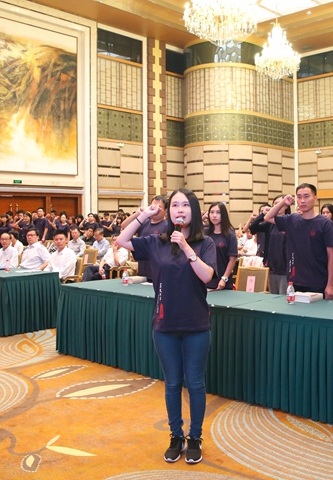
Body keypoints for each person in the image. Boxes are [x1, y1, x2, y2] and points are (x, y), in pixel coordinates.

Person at [117, 188, 216, 465]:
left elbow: (208, 277)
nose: (179, 210)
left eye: (185, 205)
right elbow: (122, 240)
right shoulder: (156, 241)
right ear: (168, 211)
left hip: (196, 324)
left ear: (193, 210)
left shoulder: (204, 242)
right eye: (174, 205)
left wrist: (186, 248)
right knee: (172, 383)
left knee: (195, 383)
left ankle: (195, 438)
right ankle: (176, 436)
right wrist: (144, 215)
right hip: (164, 324)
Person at [264, 183, 333, 299]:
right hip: (294, 281)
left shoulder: (325, 223)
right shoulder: (292, 220)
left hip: (318, 281)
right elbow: (268, 217)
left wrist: (330, 285)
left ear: (315, 199)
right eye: (299, 197)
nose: (302, 200)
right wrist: (283, 203)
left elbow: (331, 255)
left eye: (306, 196)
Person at [123, 195, 169, 282]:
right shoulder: (144, 222)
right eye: (153, 206)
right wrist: (137, 214)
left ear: (165, 210)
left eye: (159, 207)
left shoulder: (167, 226)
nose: (155, 209)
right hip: (142, 272)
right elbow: (124, 227)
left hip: (158, 273)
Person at [249, 195, 289, 294]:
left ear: (286, 206)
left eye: (281, 203)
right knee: (273, 297)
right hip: (271, 267)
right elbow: (253, 228)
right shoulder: (269, 224)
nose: (278, 206)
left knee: (284, 297)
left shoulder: (290, 221)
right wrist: (263, 214)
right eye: (275, 204)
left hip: (285, 268)